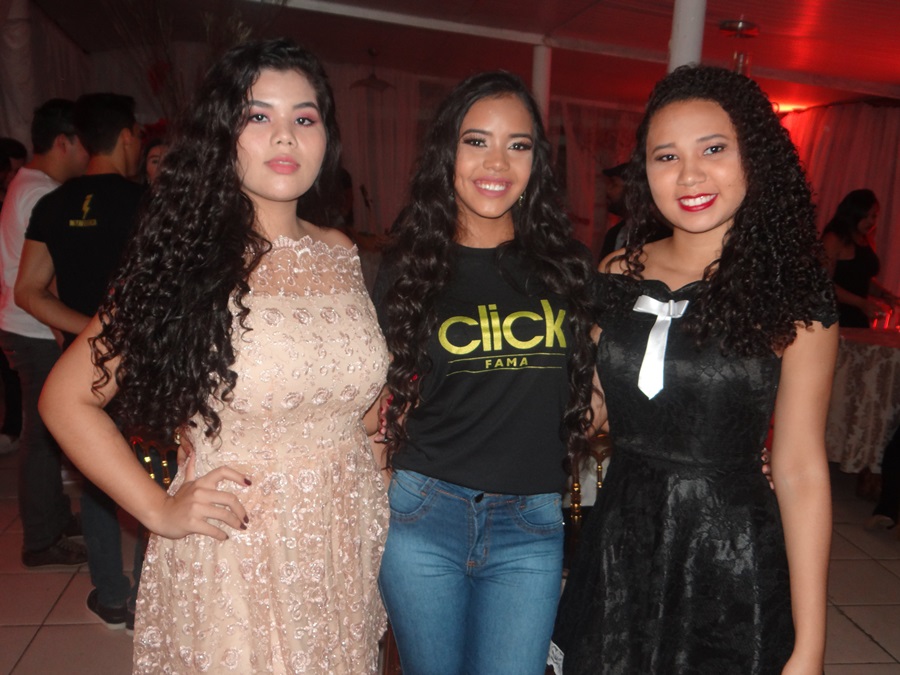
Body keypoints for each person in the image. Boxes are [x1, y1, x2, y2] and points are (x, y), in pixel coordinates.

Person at [38, 38, 389, 673]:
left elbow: (353, 401)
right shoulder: (187, 257)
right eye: (258, 116)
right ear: (223, 134)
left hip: (343, 538)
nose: (285, 135)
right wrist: (157, 509)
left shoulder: (341, 251)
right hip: (238, 546)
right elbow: (66, 400)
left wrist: (379, 440)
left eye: (304, 117)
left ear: (326, 138)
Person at [551, 65, 837, 674]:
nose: (689, 175)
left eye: (713, 149)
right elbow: (590, 409)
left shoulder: (794, 293)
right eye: (666, 156)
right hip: (621, 542)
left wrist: (810, 645)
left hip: (730, 552)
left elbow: (801, 470)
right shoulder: (617, 271)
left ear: (753, 156)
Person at [374, 71, 596, 675]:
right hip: (423, 513)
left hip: (531, 521)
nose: (497, 162)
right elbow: (375, 400)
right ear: (447, 152)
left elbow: (607, 384)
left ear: (536, 162)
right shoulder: (408, 267)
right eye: (477, 141)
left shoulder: (569, 268)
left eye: (517, 145)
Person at [16, 92, 145, 630]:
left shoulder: (52, 204)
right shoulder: (146, 201)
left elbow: (28, 291)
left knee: (96, 473)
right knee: (150, 471)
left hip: (83, 364)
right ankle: (149, 600)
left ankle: (112, 596)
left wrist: (90, 330)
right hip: (142, 361)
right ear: (127, 136)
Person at [0, 99, 89, 567]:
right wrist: (68, 338)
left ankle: (51, 519)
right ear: (64, 142)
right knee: (41, 437)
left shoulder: (29, 184)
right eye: (84, 143)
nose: (88, 154)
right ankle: (40, 539)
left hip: (27, 329)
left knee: (44, 434)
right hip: (36, 332)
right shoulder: (41, 194)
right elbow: (45, 283)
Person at [821, 189, 896, 328]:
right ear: (854, 213)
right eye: (865, 216)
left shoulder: (865, 240)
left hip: (858, 317)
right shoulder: (833, 239)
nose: (871, 221)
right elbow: (823, 284)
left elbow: (860, 279)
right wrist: (861, 303)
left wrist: (884, 295)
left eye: (874, 216)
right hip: (834, 316)